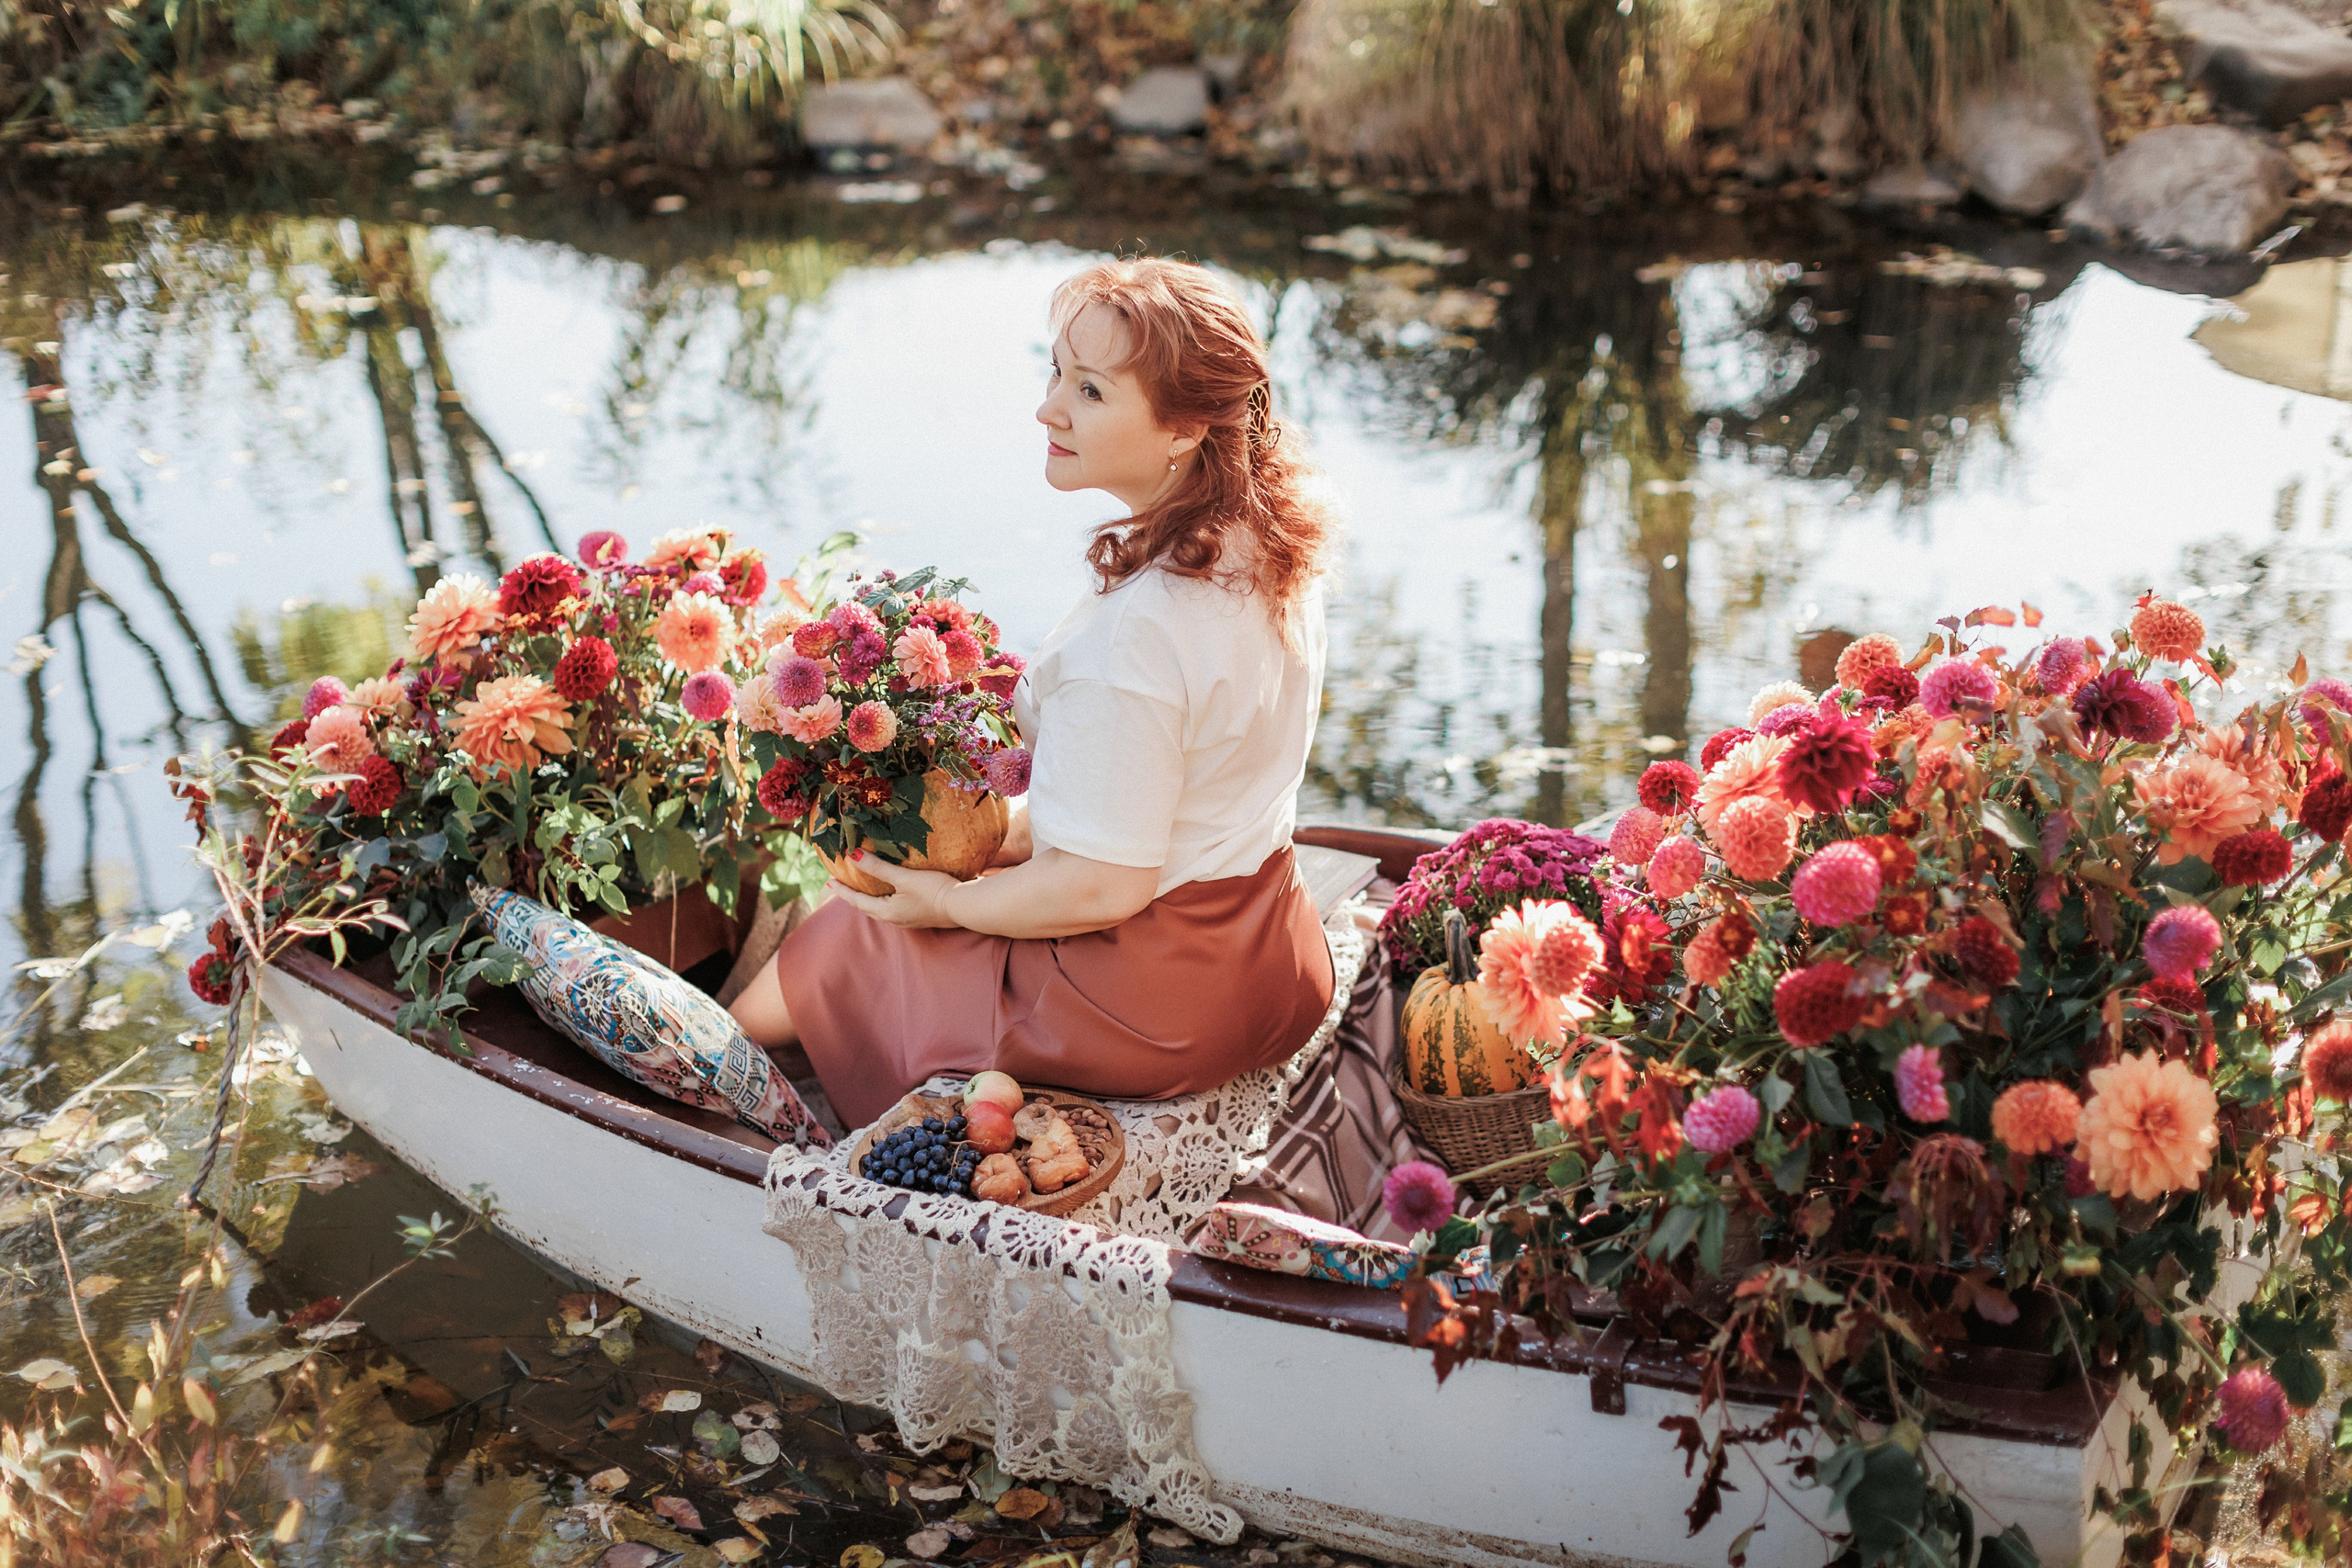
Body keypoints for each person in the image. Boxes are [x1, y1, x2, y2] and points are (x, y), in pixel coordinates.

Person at [727, 257, 1338, 1130]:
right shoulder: (1267, 541)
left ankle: (696, 1091)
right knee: (922, 879)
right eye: (1056, 371)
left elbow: (1100, 888)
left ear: (1184, 429)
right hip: (1273, 954)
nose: (1048, 408)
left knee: (858, 928)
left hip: (1165, 1004)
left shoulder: (1137, 634)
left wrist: (944, 903)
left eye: (1091, 391)